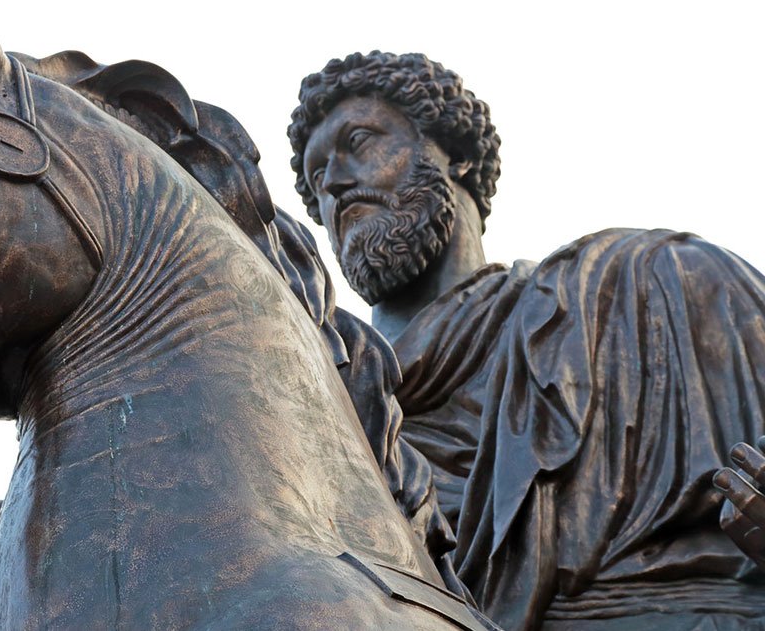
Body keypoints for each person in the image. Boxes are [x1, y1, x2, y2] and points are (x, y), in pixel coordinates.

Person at [291, 51, 765, 629]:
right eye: (316, 180)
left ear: (457, 156)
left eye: (360, 141)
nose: (334, 185)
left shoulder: (644, 286)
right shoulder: (313, 410)